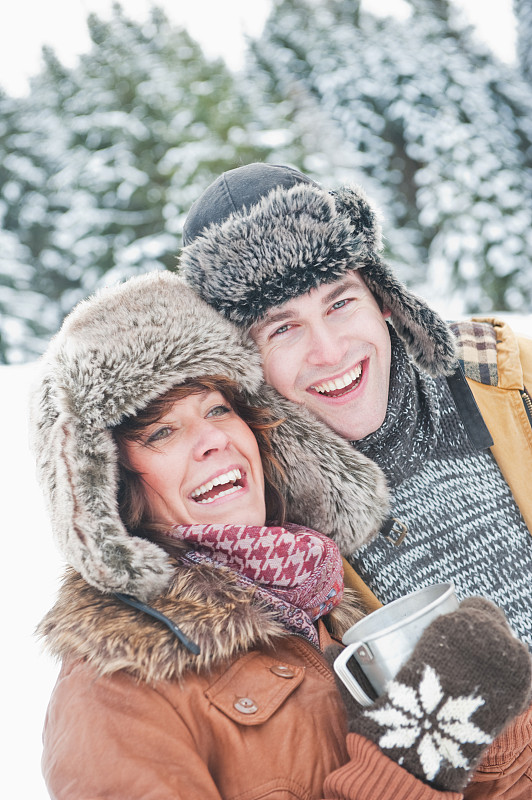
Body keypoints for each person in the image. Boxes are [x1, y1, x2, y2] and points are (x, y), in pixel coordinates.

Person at [31, 271, 531, 800]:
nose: (212, 441)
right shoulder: (117, 689)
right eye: (161, 432)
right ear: (107, 490)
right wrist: (409, 759)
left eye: (219, 408)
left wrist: (490, 731)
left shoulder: (323, 606)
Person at [179, 162, 532, 650]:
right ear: (247, 364)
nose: (328, 352)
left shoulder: (509, 377)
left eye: (339, 303)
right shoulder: (263, 512)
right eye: (283, 328)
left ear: (381, 296)